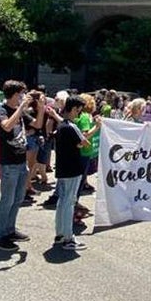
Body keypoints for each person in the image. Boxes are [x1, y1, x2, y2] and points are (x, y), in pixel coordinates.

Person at [0, 81, 32, 252]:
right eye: (21, 94)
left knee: (17, 199)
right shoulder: (1, 109)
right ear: (14, 94)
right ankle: (0, 236)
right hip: (8, 163)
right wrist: (21, 107)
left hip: (21, 161)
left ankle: (10, 229)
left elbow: (37, 124)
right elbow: (6, 126)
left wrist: (42, 104)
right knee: (7, 199)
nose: (23, 96)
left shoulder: (20, 112)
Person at [53, 96, 93, 251]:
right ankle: (68, 237)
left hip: (63, 168)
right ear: (74, 108)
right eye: (79, 110)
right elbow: (84, 142)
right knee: (69, 202)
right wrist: (96, 127)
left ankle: (61, 234)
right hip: (72, 168)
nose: (79, 113)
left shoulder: (63, 125)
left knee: (62, 202)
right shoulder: (70, 126)